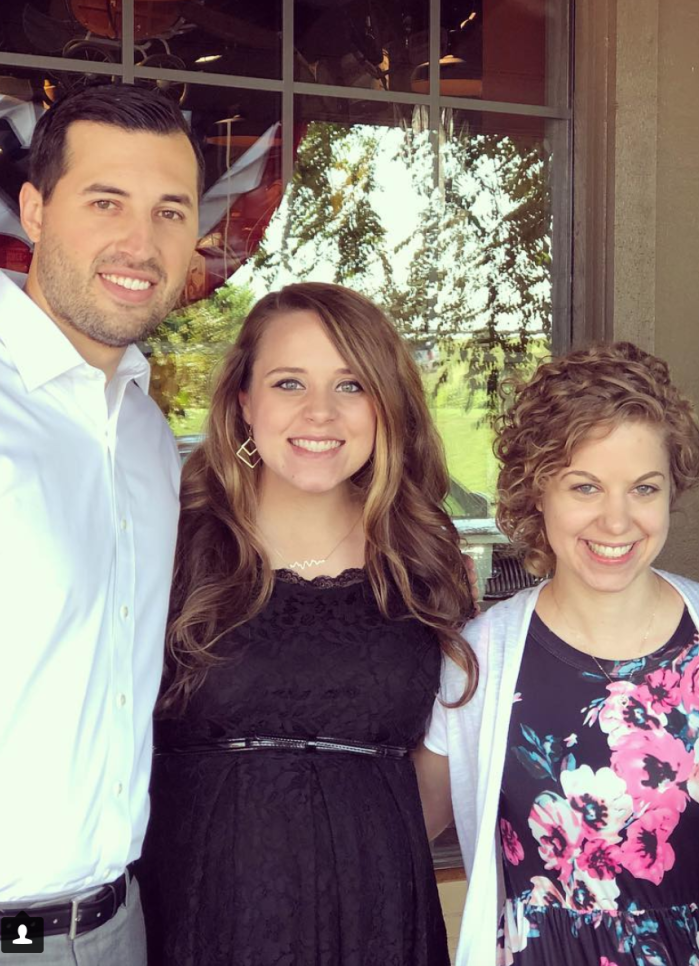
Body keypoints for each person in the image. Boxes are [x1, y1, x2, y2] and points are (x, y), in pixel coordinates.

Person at [136, 281, 476, 966]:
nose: (320, 411)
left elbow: (440, 769)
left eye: (351, 385)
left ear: (386, 404)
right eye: (289, 382)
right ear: (243, 402)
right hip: (202, 909)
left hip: (379, 909)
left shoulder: (426, 561)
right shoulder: (166, 543)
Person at [415, 343, 699, 966]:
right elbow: (405, 821)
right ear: (538, 491)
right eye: (585, 486)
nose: (616, 521)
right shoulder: (483, 655)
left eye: (643, 488)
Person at [0, 83, 203, 964]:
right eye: (106, 202)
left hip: (117, 923)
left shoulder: (149, 435)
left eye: (170, 211)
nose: (140, 243)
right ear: (35, 211)